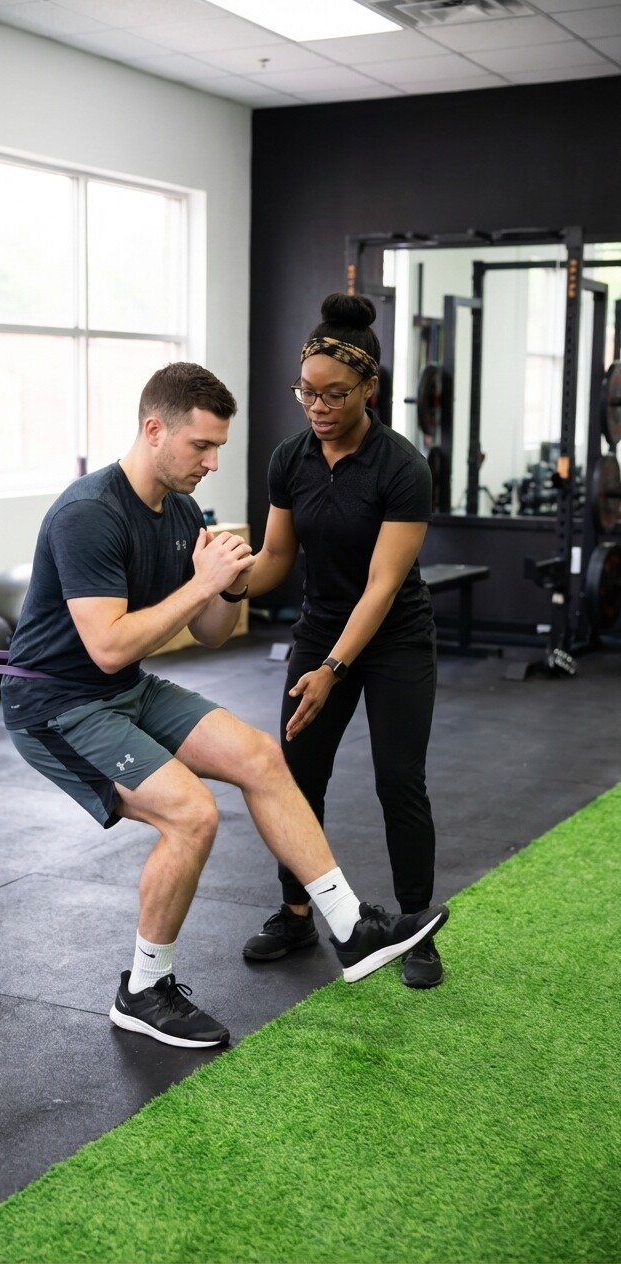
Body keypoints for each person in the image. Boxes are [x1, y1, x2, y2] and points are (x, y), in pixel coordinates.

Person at [1, 361, 448, 1051]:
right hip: (58, 706)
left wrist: (228, 588)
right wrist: (198, 585)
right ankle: (144, 989)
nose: (211, 463)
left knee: (262, 758)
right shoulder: (89, 513)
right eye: (200, 447)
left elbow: (208, 634)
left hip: (124, 693)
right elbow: (109, 649)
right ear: (154, 430)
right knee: (191, 815)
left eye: (217, 448)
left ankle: (348, 927)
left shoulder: (178, 511)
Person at [241, 294, 444, 989]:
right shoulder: (288, 460)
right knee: (296, 777)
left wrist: (332, 667)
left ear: (369, 390)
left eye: (334, 394)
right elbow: (273, 559)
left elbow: (382, 586)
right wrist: (224, 581)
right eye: (306, 392)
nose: (318, 407)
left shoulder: (400, 468)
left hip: (393, 641)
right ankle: (296, 912)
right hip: (320, 628)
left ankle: (415, 923)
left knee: (398, 781)